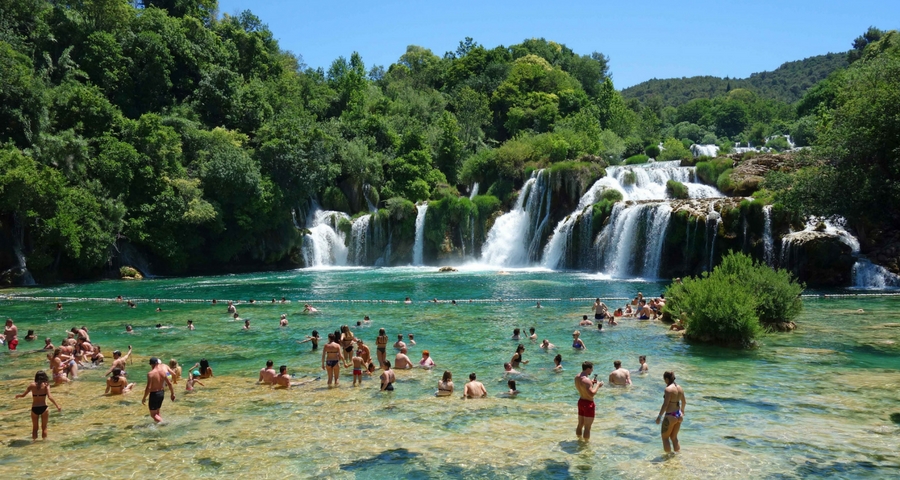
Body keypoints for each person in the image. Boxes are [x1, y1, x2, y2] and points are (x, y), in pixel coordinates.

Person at [15, 371, 61, 440]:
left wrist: (19, 396)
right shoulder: (46, 385)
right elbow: (50, 397)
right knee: (44, 427)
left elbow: (23, 395)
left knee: (35, 428)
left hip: (34, 408)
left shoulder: (32, 385)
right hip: (44, 408)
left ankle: (34, 442)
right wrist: (57, 406)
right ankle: (44, 442)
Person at [656, 371, 686, 453]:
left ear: (666, 379)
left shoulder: (668, 389)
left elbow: (665, 405)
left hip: (670, 415)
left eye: (664, 379)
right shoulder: (680, 388)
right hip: (678, 414)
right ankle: (677, 455)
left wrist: (659, 416)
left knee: (665, 438)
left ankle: (668, 459)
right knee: (674, 437)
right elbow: (684, 402)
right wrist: (682, 411)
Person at [575, 361, 603, 441]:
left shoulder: (577, 377)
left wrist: (591, 383)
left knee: (580, 424)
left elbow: (583, 387)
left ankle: (579, 440)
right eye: (591, 369)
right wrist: (598, 385)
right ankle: (586, 445)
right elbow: (592, 394)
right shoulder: (586, 381)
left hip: (581, 401)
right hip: (588, 404)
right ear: (588, 369)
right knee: (587, 427)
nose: (592, 371)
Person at [142, 357, 175, 423]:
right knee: (157, 412)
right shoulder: (163, 372)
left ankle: (163, 423)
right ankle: (159, 425)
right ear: (157, 363)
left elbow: (148, 387)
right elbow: (169, 383)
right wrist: (172, 394)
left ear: (151, 364)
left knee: (153, 414)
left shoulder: (150, 374)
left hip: (154, 394)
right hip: (161, 393)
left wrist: (144, 398)